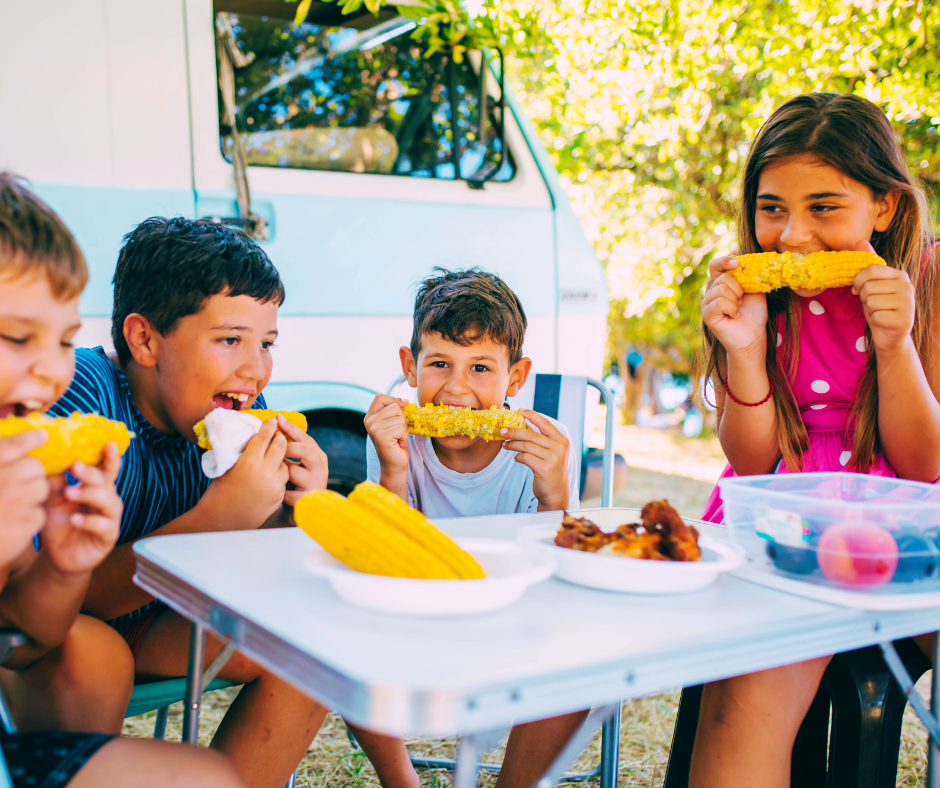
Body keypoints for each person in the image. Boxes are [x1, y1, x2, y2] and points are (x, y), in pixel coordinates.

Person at [47, 216, 409, 788]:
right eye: (230, 340)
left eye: (266, 343)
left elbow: (251, 560)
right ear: (144, 340)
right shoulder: (81, 397)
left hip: (165, 622)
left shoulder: (239, 405)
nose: (255, 368)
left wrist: (291, 510)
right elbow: (61, 598)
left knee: (307, 634)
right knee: (91, 655)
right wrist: (218, 516)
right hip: (73, 622)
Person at [694, 92, 940, 787]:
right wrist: (745, 352)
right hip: (789, 521)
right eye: (772, 208)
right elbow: (752, 460)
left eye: (824, 207)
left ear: (884, 206)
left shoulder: (929, 276)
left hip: (913, 518)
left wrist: (894, 345)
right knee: (744, 701)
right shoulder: (752, 296)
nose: (793, 237)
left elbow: (925, 462)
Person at [0, 172, 245, 787]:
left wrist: (60, 566)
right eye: (15, 336)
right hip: (111, 643)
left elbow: (21, 645)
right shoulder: (89, 396)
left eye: (62, 340)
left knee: (210, 779)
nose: (50, 369)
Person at [365, 267, 587, 788]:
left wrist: (555, 491)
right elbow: (390, 558)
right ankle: (402, 782)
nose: (456, 389)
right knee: (343, 647)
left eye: (481, 367)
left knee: (578, 663)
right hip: (417, 614)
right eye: (439, 363)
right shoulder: (399, 442)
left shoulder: (542, 447)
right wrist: (393, 468)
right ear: (409, 366)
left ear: (515, 377)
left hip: (516, 622)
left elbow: (562, 568)